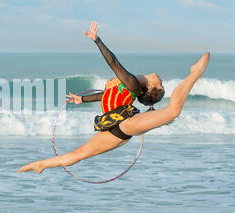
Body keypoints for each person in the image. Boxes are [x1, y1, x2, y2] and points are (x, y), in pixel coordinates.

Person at [18, 21, 210, 174]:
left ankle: (194, 73)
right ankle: (40, 165)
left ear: (150, 88)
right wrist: (82, 100)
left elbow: (113, 62)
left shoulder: (133, 85)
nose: (160, 79)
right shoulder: (127, 89)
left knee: (173, 111)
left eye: (160, 84)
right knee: (78, 155)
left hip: (127, 124)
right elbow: (105, 95)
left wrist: (97, 40)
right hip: (112, 131)